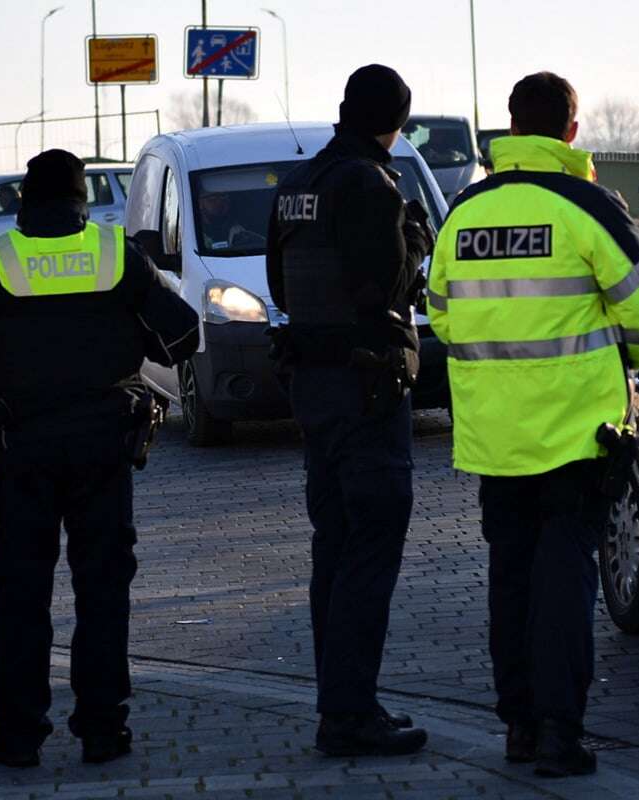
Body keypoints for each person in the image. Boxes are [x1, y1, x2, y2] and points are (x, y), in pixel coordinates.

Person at [426, 72, 639, 777]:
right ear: (571, 130)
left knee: (511, 579)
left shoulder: (465, 211)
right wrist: (624, 350)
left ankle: (519, 728)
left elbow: (441, 312)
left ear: (510, 125)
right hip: (575, 436)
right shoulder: (584, 205)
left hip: (494, 439)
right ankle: (560, 733)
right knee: (565, 582)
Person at [0, 149, 199, 768]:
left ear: (24, 201)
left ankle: (17, 737)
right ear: (83, 202)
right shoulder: (116, 255)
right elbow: (185, 333)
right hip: (104, 451)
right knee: (103, 593)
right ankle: (104, 732)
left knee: (21, 598)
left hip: (22, 452)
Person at [266, 64, 432, 758]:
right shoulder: (368, 183)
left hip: (316, 388)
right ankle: (351, 712)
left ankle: (339, 704)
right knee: (370, 546)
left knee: (333, 548)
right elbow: (385, 287)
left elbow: (278, 279)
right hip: (366, 390)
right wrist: (415, 239)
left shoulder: (298, 184)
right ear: (395, 119)